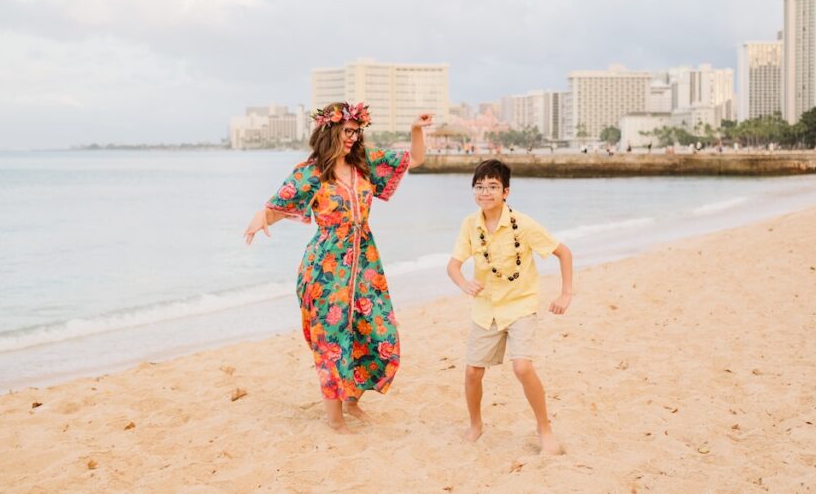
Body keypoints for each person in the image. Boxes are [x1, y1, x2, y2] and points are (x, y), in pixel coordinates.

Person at [245, 102, 432, 432]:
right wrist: (260, 219)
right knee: (331, 338)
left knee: (375, 332)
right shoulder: (312, 172)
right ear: (330, 130)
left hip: (365, 266)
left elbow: (414, 159)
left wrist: (415, 130)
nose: (353, 137)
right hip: (327, 267)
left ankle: (352, 401)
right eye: (348, 131)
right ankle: (334, 419)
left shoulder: (365, 165)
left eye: (357, 131)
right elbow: (280, 205)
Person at [445, 159, 574, 455]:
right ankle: (476, 424)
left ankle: (544, 429)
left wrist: (566, 294)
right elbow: (453, 266)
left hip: (520, 304)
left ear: (506, 192)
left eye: (492, 186)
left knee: (522, 367)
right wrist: (464, 284)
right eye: (479, 187)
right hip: (485, 308)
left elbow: (563, 252)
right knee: (472, 372)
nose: (485, 192)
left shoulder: (523, 224)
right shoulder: (469, 225)